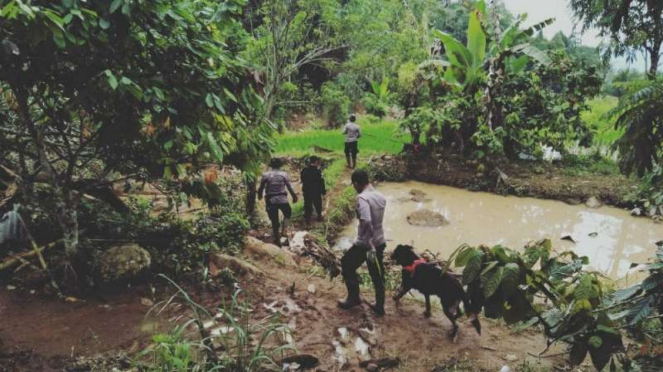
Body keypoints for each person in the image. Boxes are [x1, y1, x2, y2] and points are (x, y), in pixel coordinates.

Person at [337, 169, 387, 316]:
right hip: (380, 240)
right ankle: (379, 305)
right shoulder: (380, 196)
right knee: (377, 274)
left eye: (354, 185)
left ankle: (353, 298)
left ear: (357, 183)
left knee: (346, 264)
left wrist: (369, 241)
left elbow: (366, 220)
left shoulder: (362, 198)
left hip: (366, 244)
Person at [258, 158, 298, 247]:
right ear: (280, 165)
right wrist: (294, 196)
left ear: (270, 166)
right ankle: (284, 229)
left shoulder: (266, 175)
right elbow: (289, 187)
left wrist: (259, 195)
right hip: (282, 198)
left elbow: (261, 187)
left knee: (274, 219)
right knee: (288, 213)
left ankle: (277, 238)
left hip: (270, 200)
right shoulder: (284, 174)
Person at [300, 156, 326, 227]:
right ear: (316, 162)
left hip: (307, 190)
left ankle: (307, 220)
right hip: (316, 191)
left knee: (307, 204)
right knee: (318, 203)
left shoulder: (304, 170)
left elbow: (302, 179)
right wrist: (323, 191)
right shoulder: (318, 171)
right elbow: (321, 182)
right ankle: (319, 216)